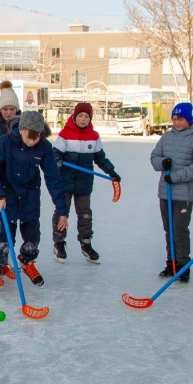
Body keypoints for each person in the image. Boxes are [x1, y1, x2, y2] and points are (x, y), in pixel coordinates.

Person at [0, 109, 69, 291]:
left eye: (37, 137)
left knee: (32, 237)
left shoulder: (43, 146)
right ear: (21, 130)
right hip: (7, 196)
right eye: (30, 137)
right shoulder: (4, 142)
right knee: (4, 238)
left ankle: (27, 262)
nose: (33, 141)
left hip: (30, 197)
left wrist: (62, 210)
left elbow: (53, 178)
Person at [52, 102, 120, 264]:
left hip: (84, 183)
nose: (83, 119)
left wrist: (112, 172)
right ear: (75, 117)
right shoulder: (65, 134)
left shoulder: (94, 136)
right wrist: (57, 160)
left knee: (85, 214)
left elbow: (100, 158)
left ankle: (86, 243)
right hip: (66, 182)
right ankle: (59, 243)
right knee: (62, 213)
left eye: (87, 116)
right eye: (80, 116)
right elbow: (55, 154)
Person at [149, 101, 193, 280]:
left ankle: (183, 266)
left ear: (189, 119)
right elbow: (154, 157)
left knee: (179, 229)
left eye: (180, 118)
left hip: (184, 194)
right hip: (165, 192)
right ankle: (171, 263)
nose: (176, 122)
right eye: (174, 118)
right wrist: (162, 163)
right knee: (169, 230)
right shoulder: (167, 137)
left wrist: (175, 176)